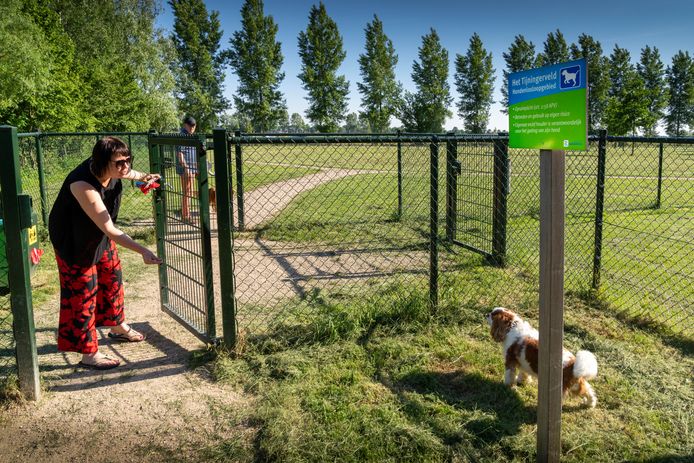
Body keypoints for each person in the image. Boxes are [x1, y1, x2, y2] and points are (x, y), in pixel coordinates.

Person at [49, 136, 162, 370]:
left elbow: (128, 174)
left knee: (112, 277)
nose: (125, 167)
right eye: (119, 162)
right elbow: (110, 228)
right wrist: (142, 250)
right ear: (101, 162)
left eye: (127, 160)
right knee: (82, 295)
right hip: (75, 243)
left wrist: (143, 177)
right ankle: (88, 354)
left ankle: (116, 326)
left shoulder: (114, 169)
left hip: (97, 234)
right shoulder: (82, 184)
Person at [176, 115, 197, 223]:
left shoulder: (190, 135)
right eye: (190, 126)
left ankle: (186, 212)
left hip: (193, 168)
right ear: (185, 125)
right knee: (187, 192)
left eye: (194, 126)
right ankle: (186, 216)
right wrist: (186, 168)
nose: (192, 128)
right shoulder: (182, 136)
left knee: (190, 191)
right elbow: (180, 154)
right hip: (186, 169)